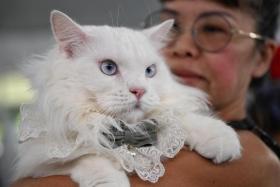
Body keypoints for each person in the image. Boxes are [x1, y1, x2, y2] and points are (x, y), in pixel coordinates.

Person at [12, 0, 280, 186]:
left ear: (263, 58)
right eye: (173, 27)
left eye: (213, 29)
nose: (181, 46)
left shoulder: (256, 160)